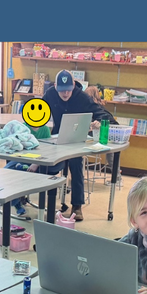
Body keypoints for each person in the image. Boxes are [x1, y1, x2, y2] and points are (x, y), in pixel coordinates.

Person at [41, 69, 115, 222]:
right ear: (55, 86)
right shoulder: (49, 94)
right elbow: (38, 111)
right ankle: (40, 201)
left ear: (74, 85)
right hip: (57, 139)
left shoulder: (82, 97)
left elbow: (104, 114)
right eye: (62, 91)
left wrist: (98, 122)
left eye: (68, 89)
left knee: (76, 165)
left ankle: (77, 207)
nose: (65, 94)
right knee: (44, 165)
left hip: (76, 140)